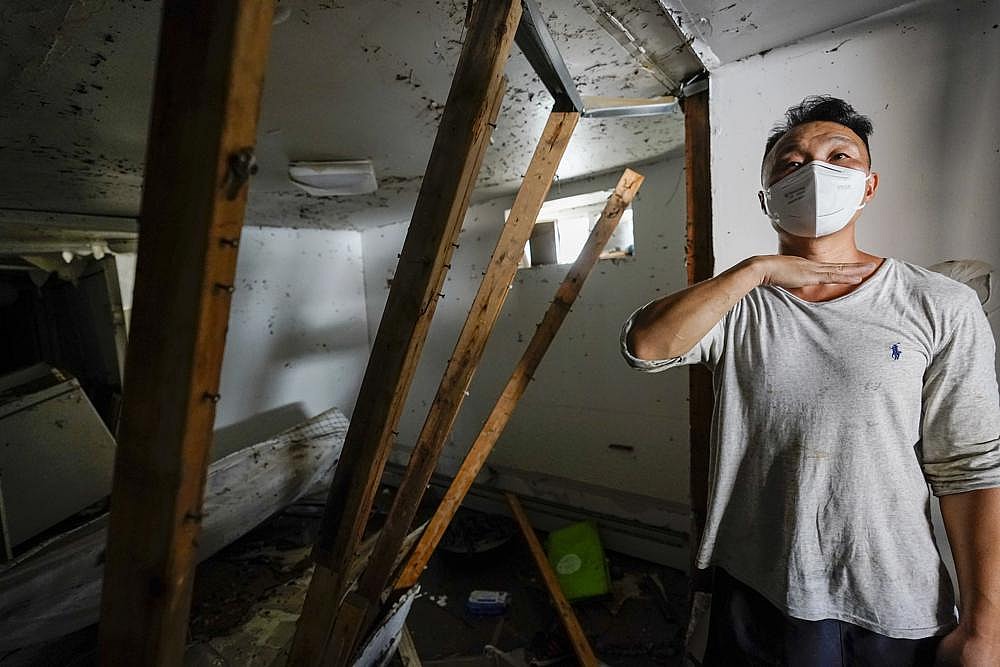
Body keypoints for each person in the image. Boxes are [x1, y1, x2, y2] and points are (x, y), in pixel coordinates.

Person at [621, 96, 1000, 666]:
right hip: (755, 588)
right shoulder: (740, 304)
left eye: (839, 157)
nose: (816, 171)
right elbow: (645, 347)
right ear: (767, 198)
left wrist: (984, 628)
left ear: (869, 185)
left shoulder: (939, 303)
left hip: (889, 601)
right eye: (791, 163)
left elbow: (971, 468)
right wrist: (756, 270)